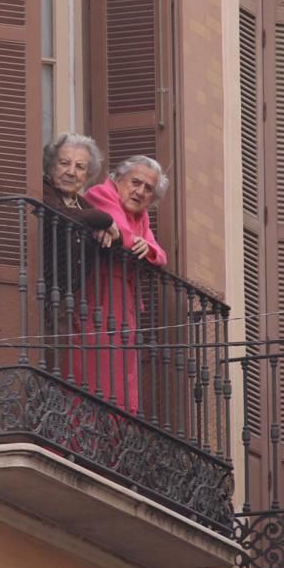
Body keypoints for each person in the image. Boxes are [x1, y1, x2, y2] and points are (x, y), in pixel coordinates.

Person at [72, 155, 169, 414]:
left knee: (123, 372)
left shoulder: (142, 216)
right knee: (98, 366)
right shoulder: (101, 193)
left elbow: (159, 255)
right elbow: (123, 236)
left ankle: (115, 435)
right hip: (97, 291)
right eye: (135, 182)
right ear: (117, 179)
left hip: (121, 298)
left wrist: (147, 247)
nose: (140, 191)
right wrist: (139, 243)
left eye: (148, 189)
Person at [40, 134, 119, 349]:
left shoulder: (82, 204)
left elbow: (115, 247)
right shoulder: (41, 189)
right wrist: (105, 220)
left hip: (67, 300)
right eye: (64, 163)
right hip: (37, 293)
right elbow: (61, 215)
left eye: (80, 167)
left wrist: (111, 234)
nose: (71, 172)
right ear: (50, 165)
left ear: (87, 174)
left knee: (60, 361)